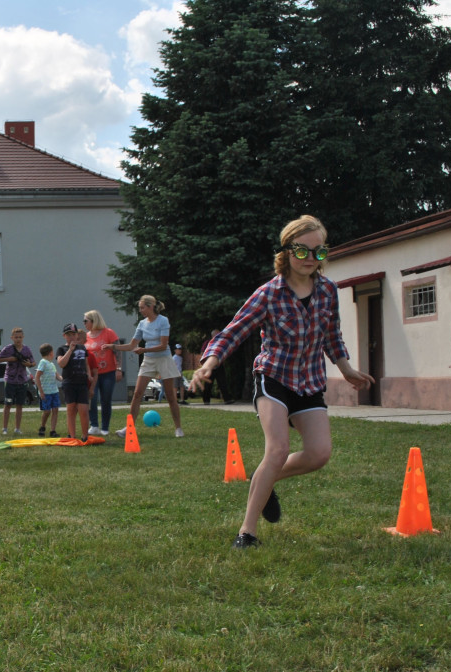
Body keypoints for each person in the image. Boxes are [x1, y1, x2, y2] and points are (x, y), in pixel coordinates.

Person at [190, 215, 374, 550]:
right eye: (302, 251)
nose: (310, 260)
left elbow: (332, 335)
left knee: (319, 454)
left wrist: (346, 369)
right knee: (277, 448)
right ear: (287, 251)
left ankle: (266, 477)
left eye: (318, 252)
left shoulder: (328, 290)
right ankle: (247, 533)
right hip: (273, 376)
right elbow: (235, 332)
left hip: (310, 381)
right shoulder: (269, 293)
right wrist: (209, 364)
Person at [105, 295, 185, 438]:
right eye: (140, 308)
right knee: (137, 394)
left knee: (171, 396)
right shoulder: (142, 324)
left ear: (150, 307)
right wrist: (112, 346)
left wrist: (144, 350)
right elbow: (131, 345)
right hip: (148, 360)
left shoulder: (163, 321)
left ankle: (178, 428)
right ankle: (129, 428)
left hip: (164, 359)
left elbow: (163, 346)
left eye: (142, 307)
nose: (140, 310)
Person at [83, 310, 121, 436]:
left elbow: (117, 350)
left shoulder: (108, 333)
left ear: (94, 321)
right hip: (93, 374)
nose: (84, 323)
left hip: (108, 373)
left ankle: (105, 427)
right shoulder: (86, 337)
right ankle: (94, 425)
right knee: (92, 399)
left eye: (86, 321)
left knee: (106, 400)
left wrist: (118, 368)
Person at [57, 323, 95, 441]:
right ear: (64, 336)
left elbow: (86, 363)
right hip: (69, 382)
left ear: (77, 335)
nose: (71, 337)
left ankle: (85, 435)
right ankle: (72, 436)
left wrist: (88, 374)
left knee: (83, 410)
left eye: (73, 334)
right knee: (71, 409)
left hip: (82, 382)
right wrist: (70, 350)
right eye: (68, 335)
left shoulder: (83, 348)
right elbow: (61, 363)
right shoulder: (61, 349)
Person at [0, 327, 35, 435]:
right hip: (10, 380)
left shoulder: (26, 349)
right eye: (16, 337)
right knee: (8, 404)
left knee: (19, 405)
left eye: (20, 337)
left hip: (22, 380)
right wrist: (9, 359)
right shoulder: (8, 349)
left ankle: (17, 428)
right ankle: (5, 428)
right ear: (12, 338)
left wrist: (29, 364)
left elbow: (33, 362)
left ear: (23, 337)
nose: (18, 339)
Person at [35, 342, 63, 437]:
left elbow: (57, 376)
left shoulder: (52, 364)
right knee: (47, 411)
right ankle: (42, 426)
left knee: (55, 410)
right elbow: (37, 377)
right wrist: (41, 392)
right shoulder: (43, 362)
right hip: (46, 392)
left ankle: (53, 430)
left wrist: (65, 379)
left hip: (54, 391)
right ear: (51, 353)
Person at [200, 329, 234, 404]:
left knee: (223, 382)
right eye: (217, 334)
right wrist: (205, 364)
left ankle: (227, 399)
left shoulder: (221, 343)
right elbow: (202, 352)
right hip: (210, 366)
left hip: (219, 365)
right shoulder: (207, 343)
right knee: (208, 384)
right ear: (213, 335)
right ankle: (206, 400)